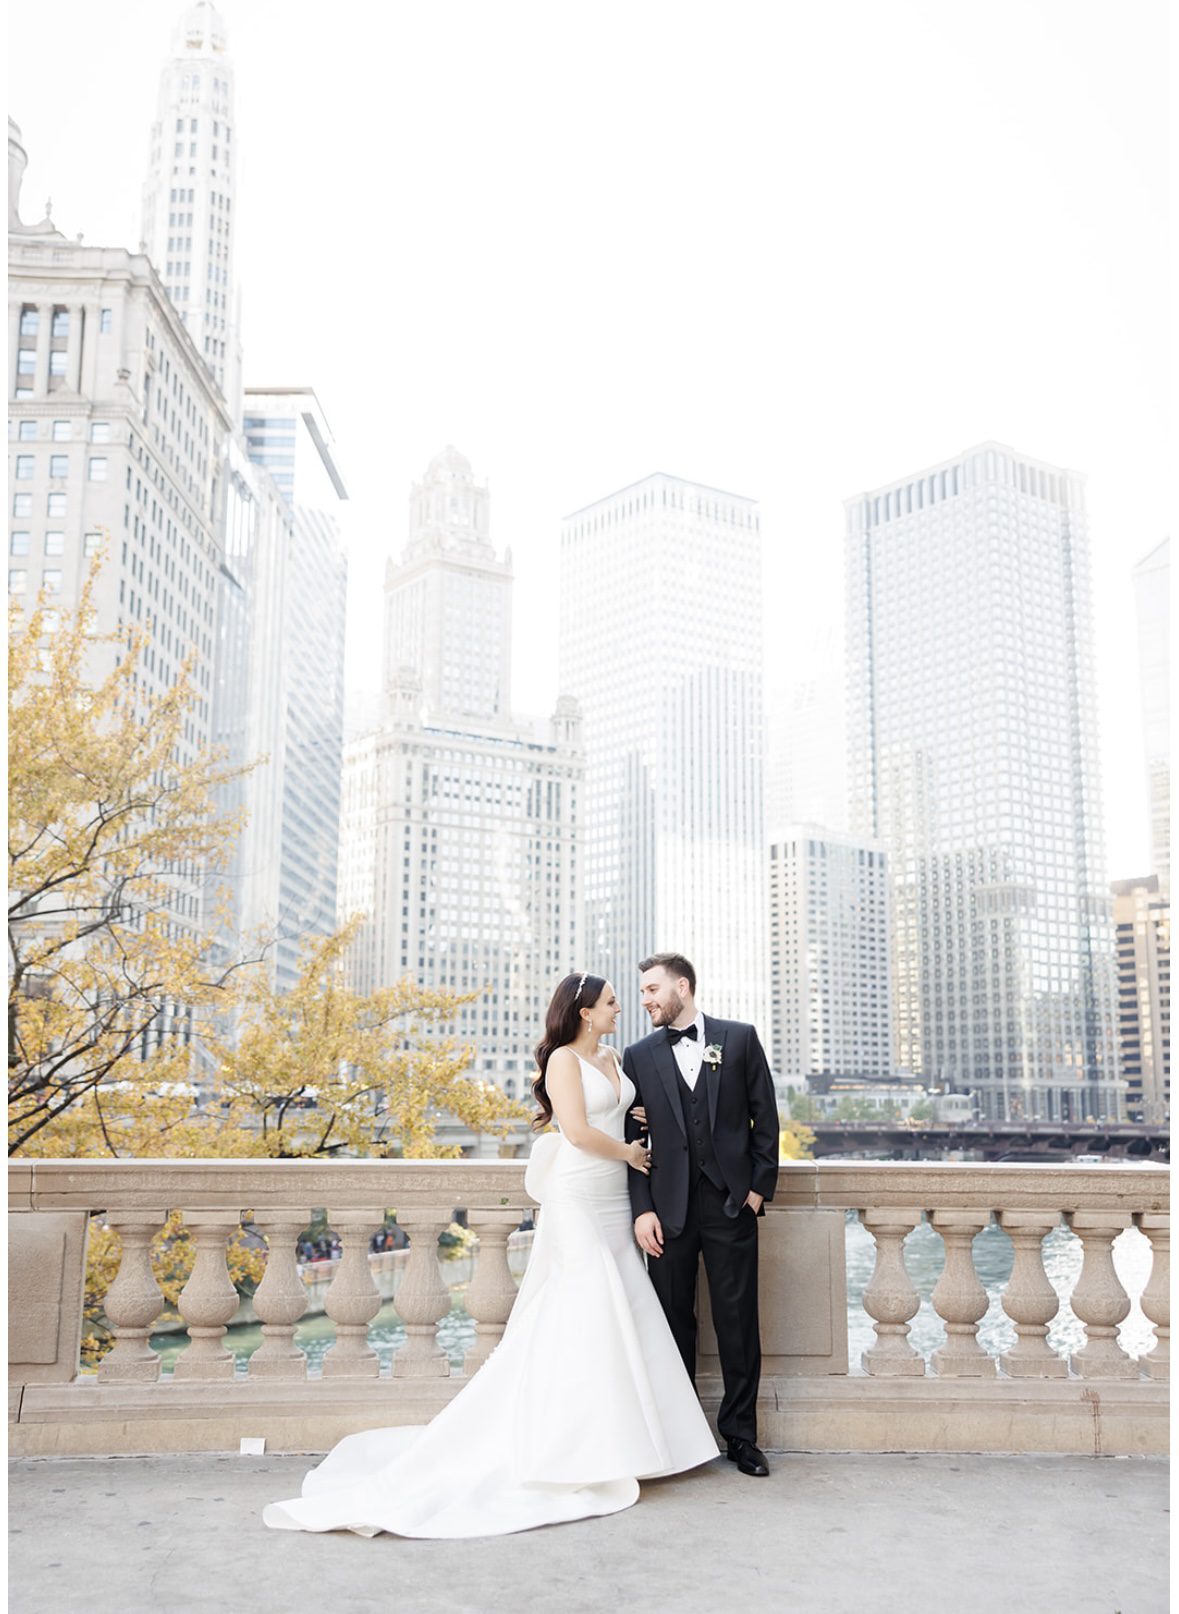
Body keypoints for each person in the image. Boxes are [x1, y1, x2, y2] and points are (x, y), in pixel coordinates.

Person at [263, 971, 718, 1540]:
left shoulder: (614, 1059)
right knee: (586, 1308)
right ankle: (572, 1445)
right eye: (609, 1002)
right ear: (582, 1011)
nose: (619, 1007)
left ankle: (629, 1441)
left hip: (611, 1201)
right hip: (579, 1196)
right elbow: (575, 1132)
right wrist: (629, 1151)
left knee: (623, 1307)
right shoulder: (562, 1062)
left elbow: (620, 1111)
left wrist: (638, 1124)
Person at [624, 952, 779, 1478]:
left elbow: (766, 1120)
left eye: (651, 990)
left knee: (738, 1325)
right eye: (642, 992)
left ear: (682, 988)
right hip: (666, 1214)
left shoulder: (738, 1039)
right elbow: (632, 1139)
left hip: (731, 1205)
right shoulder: (639, 1055)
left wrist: (756, 1192)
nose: (644, 1001)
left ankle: (741, 1437)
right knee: (671, 1326)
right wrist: (642, 1210)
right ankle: (682, 1440)